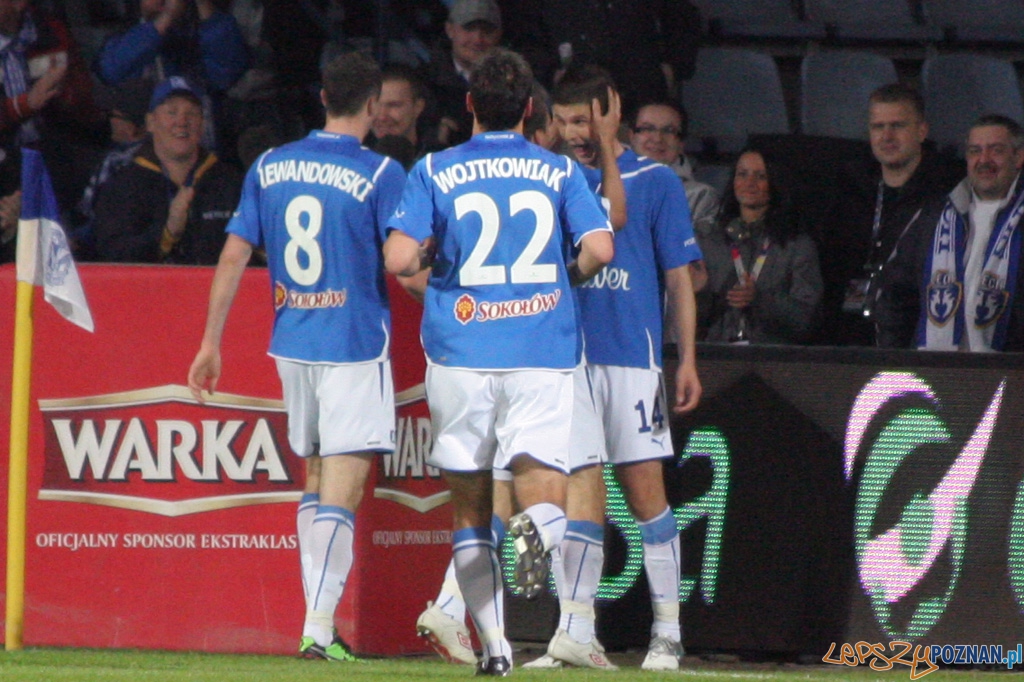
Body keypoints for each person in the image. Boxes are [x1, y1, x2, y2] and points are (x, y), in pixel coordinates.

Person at [384, 48, 614, 676]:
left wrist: (433, 260)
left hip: (460, 354)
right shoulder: (558, 172)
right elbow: (599, 245)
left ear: (468, 106)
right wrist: (565, 278)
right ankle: (537, 528)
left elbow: (399, 260)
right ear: (531, 109)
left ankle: (498, 651)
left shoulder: (434, 168)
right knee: (543, 483)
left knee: (470, 507)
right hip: (540, 350)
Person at [187, 52, 407, 661]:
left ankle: (318, 625)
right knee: (345, 481)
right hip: (354, 343)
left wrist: (211, 342)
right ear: (370, 105)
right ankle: (317, 626)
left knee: (314, 480)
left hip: (293, 342)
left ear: (321, 97)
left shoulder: (270, 165)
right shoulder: (381, 171)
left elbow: (234, 254)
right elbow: (403, 263)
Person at [540, 63, 702, 672]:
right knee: (580, 500)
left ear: (611, 113)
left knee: (645, 498)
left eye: (586, 119)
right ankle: (575, 634)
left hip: (632, 361)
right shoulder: (551, 180)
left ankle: (668, 632)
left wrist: (684, 358)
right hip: (568, 359)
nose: (576, 132)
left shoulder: (656, 180)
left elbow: (677, 277)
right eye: (565, 120)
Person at [820, 83, 960, 347]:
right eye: (878, 127)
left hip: (915, 337)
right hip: (851, 336)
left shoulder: (946, 195)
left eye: (897, 126)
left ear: (921, 131)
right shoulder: (850, 188)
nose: (887, 136)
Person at [93, 77, 242, 264]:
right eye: (171, 112)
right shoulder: (122, 185)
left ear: (202, 124)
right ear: (150, 122)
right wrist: (168, 232)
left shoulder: (230, 182)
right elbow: (112, 257)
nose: (182, 121)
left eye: (192, 113)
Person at [912, 114, 1024, 352]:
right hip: (937, 374)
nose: (984, 160)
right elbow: (897, 292)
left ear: (1019, 156)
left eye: (996, 151)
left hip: (1010, 374)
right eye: (975, 151)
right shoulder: (934, 215)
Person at [697, 147, 822, 344]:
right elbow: (695, 317)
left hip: (773, 358)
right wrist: (699, 291)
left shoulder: (796, 245)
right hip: (718, 354)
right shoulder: (710, 239)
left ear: (775, 183)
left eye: (760, 176)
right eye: (742, 174)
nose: (749, 183)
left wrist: (760, 300)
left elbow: (807, 319)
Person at [540, 0, 701, 114]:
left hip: (641, 102)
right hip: (573, 103)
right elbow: (527, 35)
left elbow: (683, 18)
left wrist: (674, 68)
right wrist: (548, 75)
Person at [630, 100, 715, 293]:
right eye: (647, 129)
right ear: (631, 136)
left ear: (681, 143)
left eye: (668, 131)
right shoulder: (608, 186)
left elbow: (689, 263)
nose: (657, 138)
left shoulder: (700, 195)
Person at [419, 0, 503, 148]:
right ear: (450, 30)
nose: (478, 39)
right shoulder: (424, 81)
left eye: (487, 30)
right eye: (469, 28)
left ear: (499, 34)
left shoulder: (514, 82)